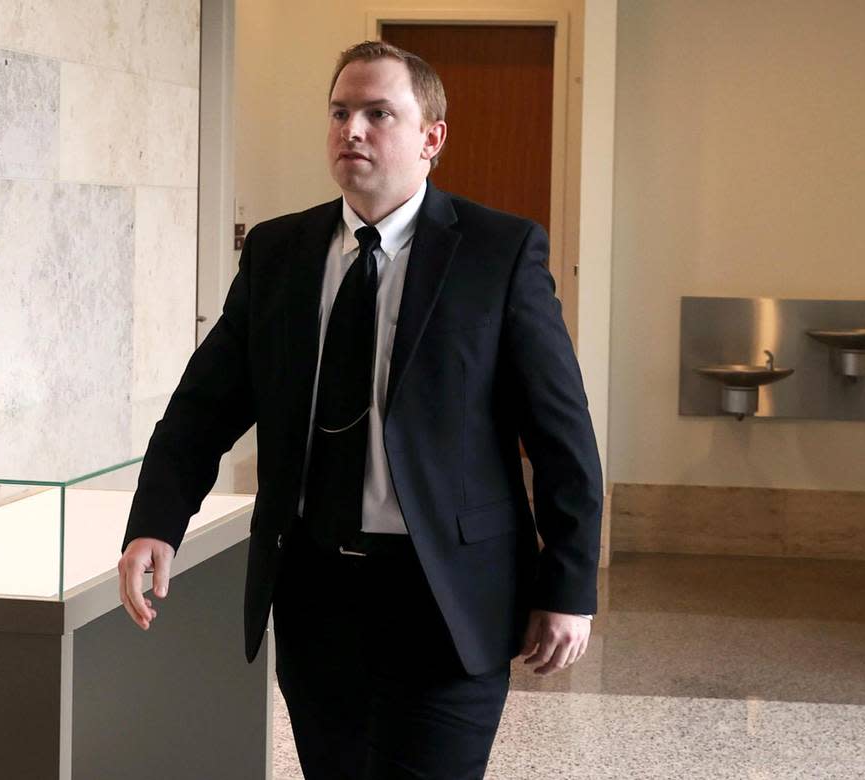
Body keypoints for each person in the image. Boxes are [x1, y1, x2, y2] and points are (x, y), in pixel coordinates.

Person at [119, 40, 602, 779]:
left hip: (446, 598)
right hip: (316, 595)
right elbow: (203, 406)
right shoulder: (280, 252)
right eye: (341, 112)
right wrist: (156, 518)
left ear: (430, 137)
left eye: (380, 113)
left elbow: (562, 436)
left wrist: (568, 587)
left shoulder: (498, 254)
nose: (353, 130)